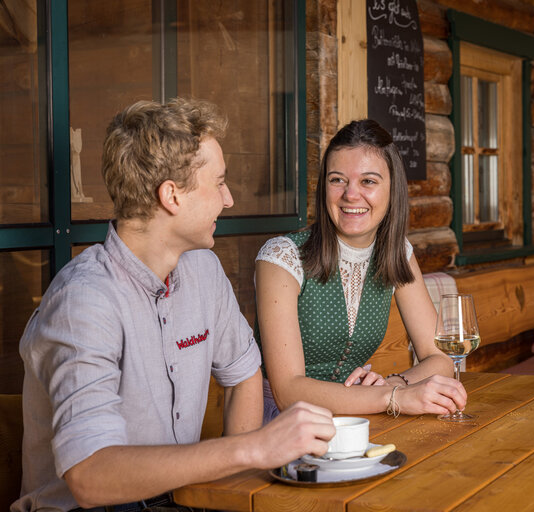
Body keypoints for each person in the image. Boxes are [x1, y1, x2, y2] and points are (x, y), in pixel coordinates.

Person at [13, 99, 335, 512]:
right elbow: (89, 477)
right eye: (219, 183)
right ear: (171, 196)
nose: (229, 199)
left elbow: (244, 375)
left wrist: (229, 493)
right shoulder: (83, 302)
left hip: (184, 499)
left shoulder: (203, 269)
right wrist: (253, 449)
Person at [254, 119, 467, 420]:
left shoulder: (396, 252)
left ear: (393, 189)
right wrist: (393, 398)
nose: (351, 195)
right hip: (280, 423)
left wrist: (396, 384)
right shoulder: (281, 257)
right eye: (337, 180)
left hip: (355, 416)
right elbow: (288, 391)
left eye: (368, 181)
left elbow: (439, 357)